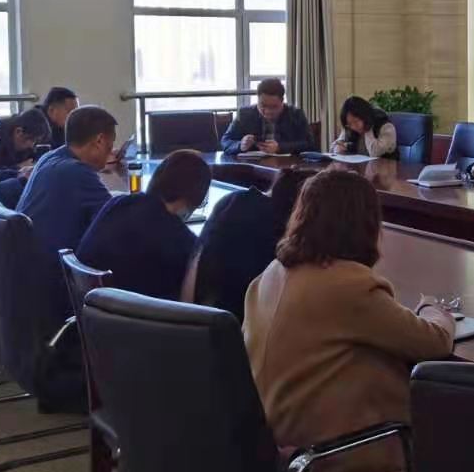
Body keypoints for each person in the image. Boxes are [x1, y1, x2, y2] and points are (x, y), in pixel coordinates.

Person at [244, 169, 453, 472]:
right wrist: (434, 309)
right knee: (447, 428)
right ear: (365, 224)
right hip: (329, 454)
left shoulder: (272, 272)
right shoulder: (349, 285)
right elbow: (433, 342)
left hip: (274, 435)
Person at [77, 150, 212, 301]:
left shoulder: (118, 203)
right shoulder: (181, 241)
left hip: (87, 308)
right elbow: (193, 302)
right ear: (194, 197)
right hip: (132, 313)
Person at [190, 165, 318, 322]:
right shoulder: (284, 231)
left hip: (200, 315)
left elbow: (197, 258)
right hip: (240, 322)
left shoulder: (231, 200)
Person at [16, 105, 120, 257]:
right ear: (99, 141)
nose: (110, 152)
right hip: (55, 267)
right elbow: (115, 221)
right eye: (110, 146)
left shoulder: (49, 157)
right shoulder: (77, 172)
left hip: (27, 259)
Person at [220, 78, 315, 156]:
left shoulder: (296, 114)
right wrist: (240, 145)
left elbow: (310, 144)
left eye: (274, 107)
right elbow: (225, 141)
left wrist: (280, 147)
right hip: (253, 166)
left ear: (282, 101)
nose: (268, 111)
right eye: (263, 106)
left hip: (287, 166)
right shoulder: (244, 114)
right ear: (257, 100)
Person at [331, 96, 399, 159]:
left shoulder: (386, 127)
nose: (353, 127)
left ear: (365, 116)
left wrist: (368, 128)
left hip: (385, 167)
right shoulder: (350, 128)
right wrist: (337, 148)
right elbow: (335, 145)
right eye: (350, 124)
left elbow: (374, 152)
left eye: (356, 121)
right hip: (360, 167)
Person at [0, 107, 52, 172]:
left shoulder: (28, 148)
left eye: (35, 141)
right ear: (18, 131)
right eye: (30, 139)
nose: (31, 145)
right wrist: (17, 168)